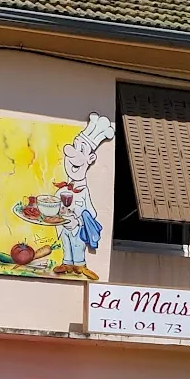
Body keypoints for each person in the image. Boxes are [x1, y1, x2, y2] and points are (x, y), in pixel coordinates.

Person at [53, 113, 114, 279]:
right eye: (74, 146)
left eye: (80, 149)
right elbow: (54, 204)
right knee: (66, 243)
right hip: (64, 227)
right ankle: (67, 262)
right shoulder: (63, 189)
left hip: (76, 227)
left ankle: (79, 265)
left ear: (91, 158)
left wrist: (78, 220)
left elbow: (92, 213)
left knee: (77, 244)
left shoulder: (84, 191)